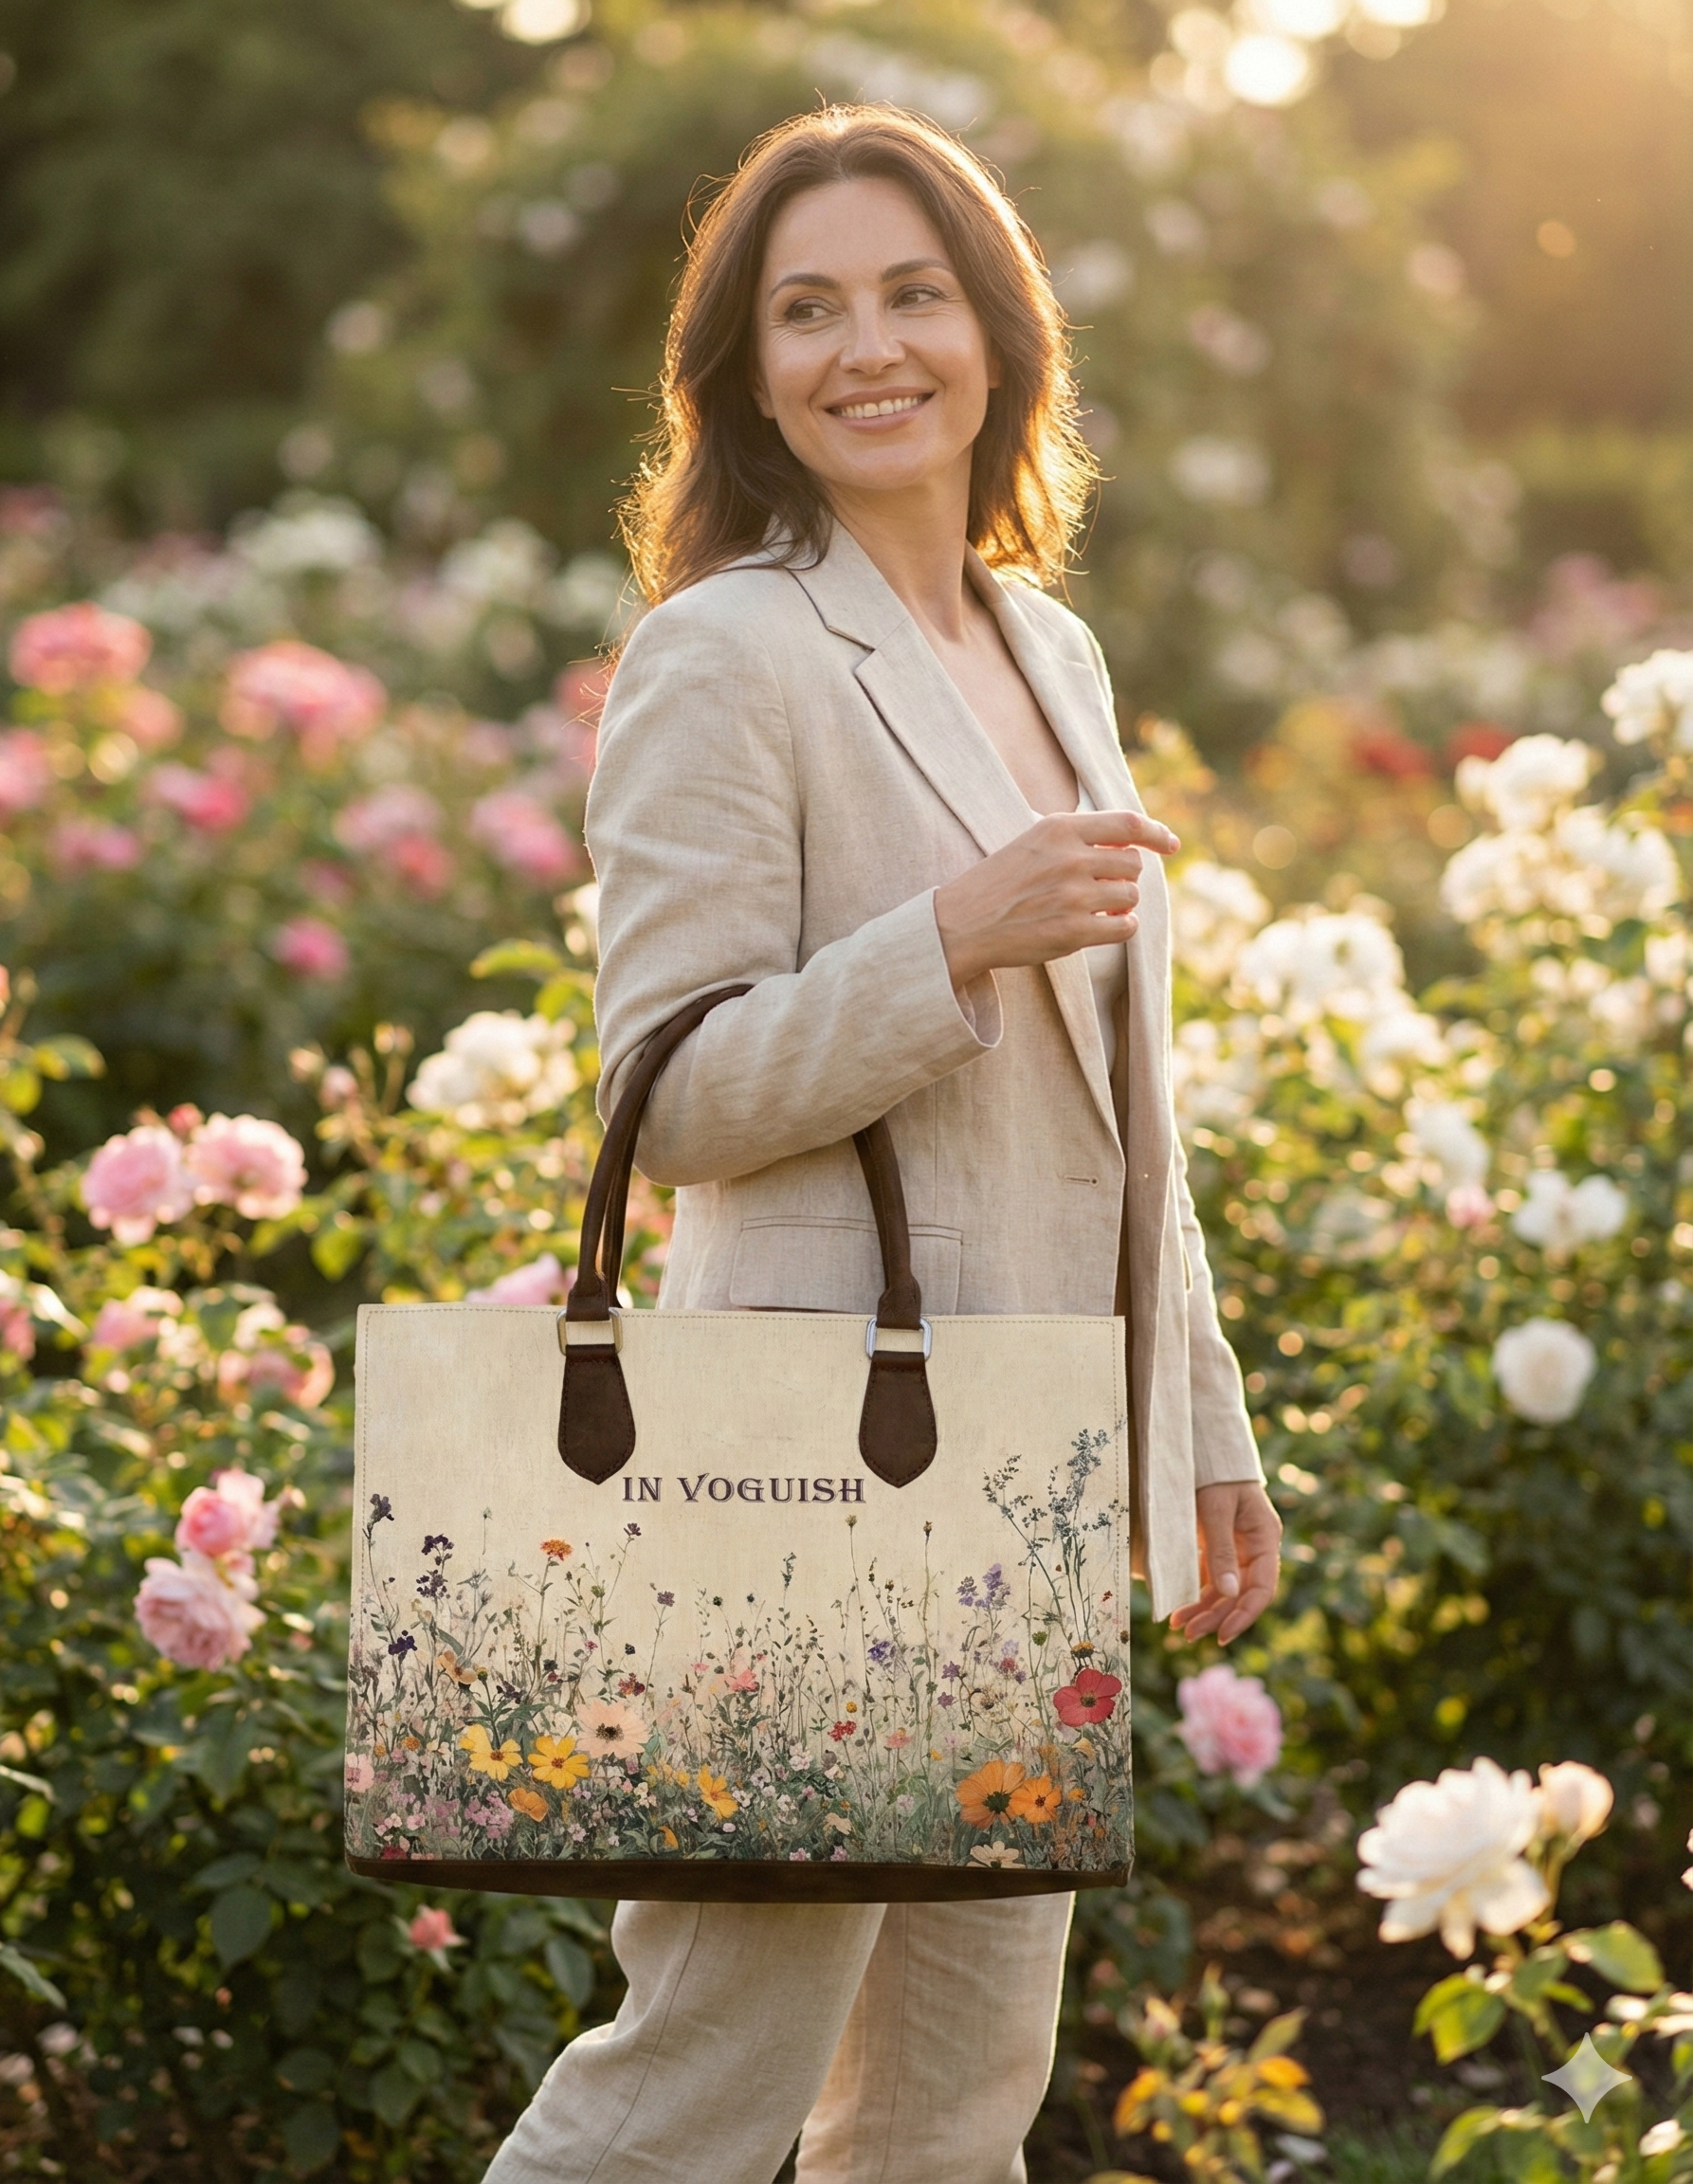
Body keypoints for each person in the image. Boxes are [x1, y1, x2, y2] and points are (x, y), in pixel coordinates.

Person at [483, 101, 1281, 2184]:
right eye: (807, 309)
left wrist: (1199, 1427)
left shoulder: (1049, 647)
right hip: (807, 1457)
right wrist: (947, 938)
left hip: (1024, 1470)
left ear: (996, 332)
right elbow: (667, 1096)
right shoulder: (724, 651)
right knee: (693, 2088)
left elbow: (1127, 1114)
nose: (870, 349)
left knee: (949, 2109)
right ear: (745, 374)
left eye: (914, 295)